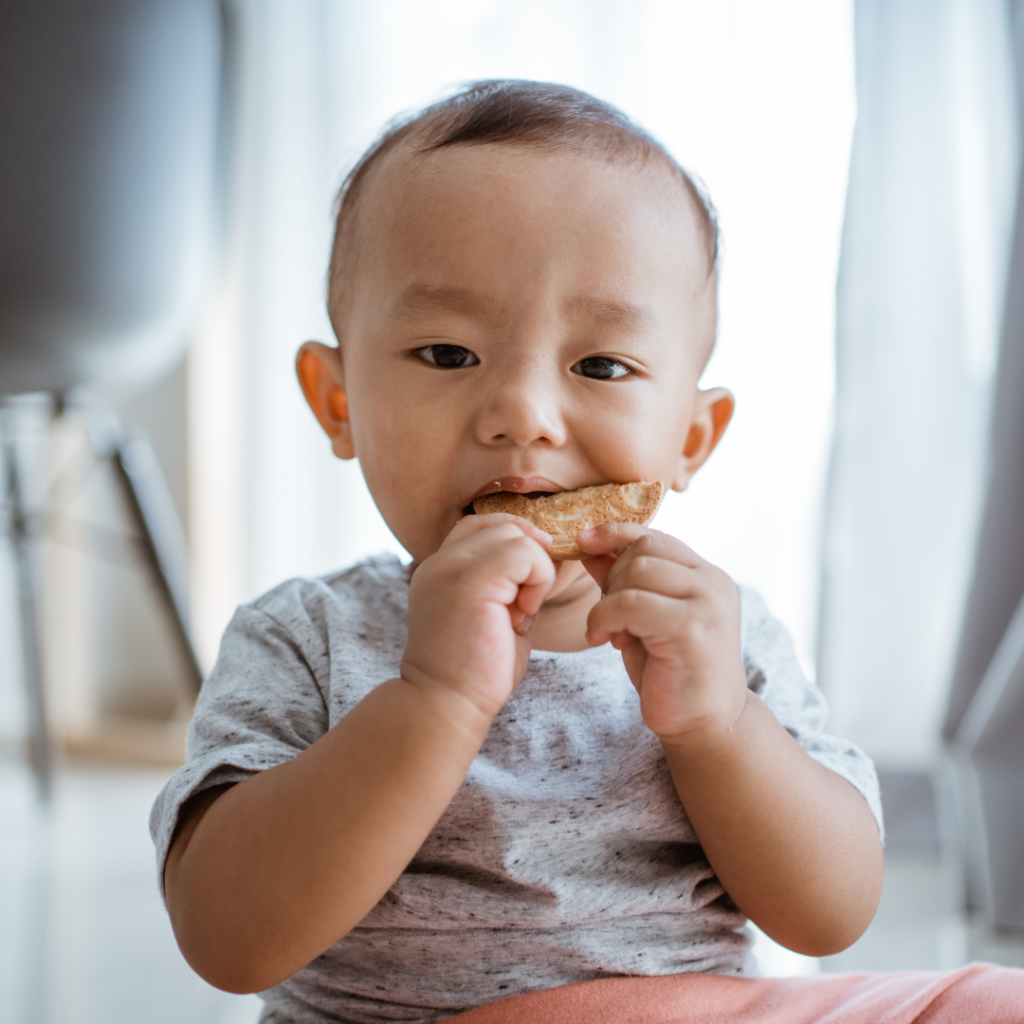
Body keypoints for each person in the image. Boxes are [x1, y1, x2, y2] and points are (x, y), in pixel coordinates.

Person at [151, 81, 1023, 1023]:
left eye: (601, 366)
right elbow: (226, 938)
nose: (522, 414)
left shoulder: (718, 634)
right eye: (447, 354)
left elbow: (831, 915)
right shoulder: (305, 638)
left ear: (692, 436)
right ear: (338, 402)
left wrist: (721, 725)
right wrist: (435, 702)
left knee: (986, 1000)